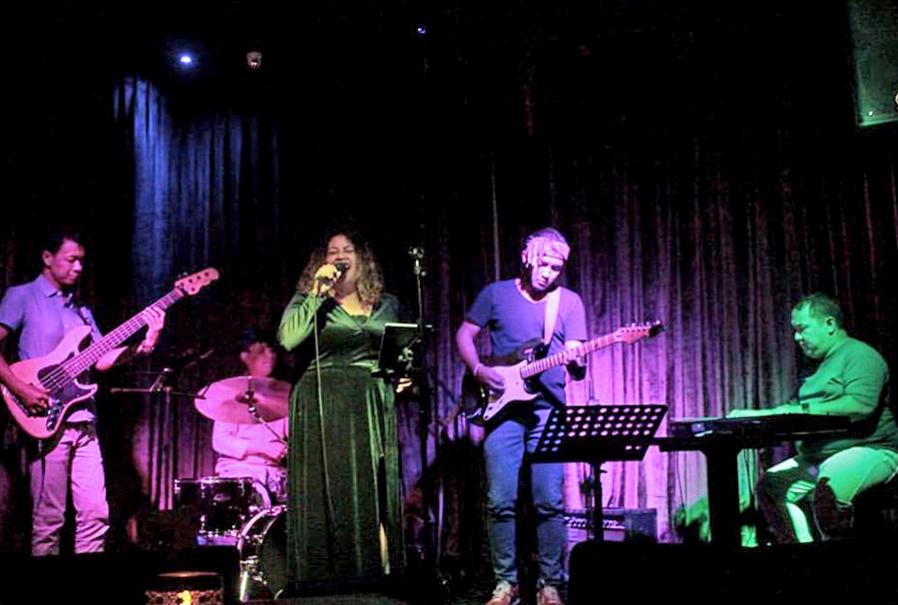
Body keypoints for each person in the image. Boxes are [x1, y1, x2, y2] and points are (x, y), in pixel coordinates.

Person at [0, 228, 165, 556]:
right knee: (49, 519)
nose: (78, 267)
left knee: (96, 515)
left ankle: (86, 582)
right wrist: (21, 389)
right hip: (46, 420)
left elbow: (100, 360)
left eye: (82, 261)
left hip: (84, 421)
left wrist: (145, 344)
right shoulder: (22, 296)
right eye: (71, 259)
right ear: (47, 258)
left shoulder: (81, 310)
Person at [455, 227, 587, 605]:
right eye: (544, 265)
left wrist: (576, 361)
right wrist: (479, 369)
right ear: (528, 258)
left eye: (556, 268)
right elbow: (464, 336)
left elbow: (576, 360)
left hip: (548, 410)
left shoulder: (568, 302)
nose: (549, 274)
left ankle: (550, 584)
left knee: (549, 502)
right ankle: (505, 582)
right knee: (500, 500)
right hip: (503, 409)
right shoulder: (496, 294)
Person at [278, 231, 404, 585]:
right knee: (326, 484)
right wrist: (316, 295)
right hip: (322, 400)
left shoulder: (386, 303)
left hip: (370, 400)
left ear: (362, 259)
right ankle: (322, 574)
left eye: (348, 250)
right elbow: (288, 339)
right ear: (322, 261)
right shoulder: (308, 298)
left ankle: (374, 572)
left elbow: (397, 348)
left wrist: (402, 370)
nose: (340, 256)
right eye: (332, 251)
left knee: (371, 485)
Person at [731, 293, 898, 542]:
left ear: (829, 324)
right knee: (771, 486)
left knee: (828, 487)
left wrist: (799, 410)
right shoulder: (816, 365)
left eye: (802, 329)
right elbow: (794, 409)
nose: (796, 337)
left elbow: (861, 405)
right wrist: (758, 415)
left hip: (872, 450)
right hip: (819, 460)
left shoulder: (860, 355)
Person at [211, 329, 288, 506]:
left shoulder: (283, 395)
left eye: (272, 351)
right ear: (244, 356)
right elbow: (220, 441)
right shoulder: (233, 393)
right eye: (261, 351)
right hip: (241, 471)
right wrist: (262, 448)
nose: (269, 356)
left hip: (277, 473)